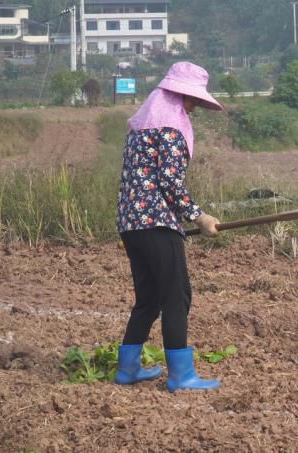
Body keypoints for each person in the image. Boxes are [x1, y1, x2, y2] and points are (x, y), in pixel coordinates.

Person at [114, 62, 223, 392]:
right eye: (192, 100)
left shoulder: (142, 124)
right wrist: (199, 216)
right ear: (178, 95)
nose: (194, 107)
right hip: (157, 221)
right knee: (177, 295)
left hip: (130, 222)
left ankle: (128, 369)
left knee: (148, 298)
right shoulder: (171, 127)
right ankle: (181, 375)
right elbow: (169, 182)